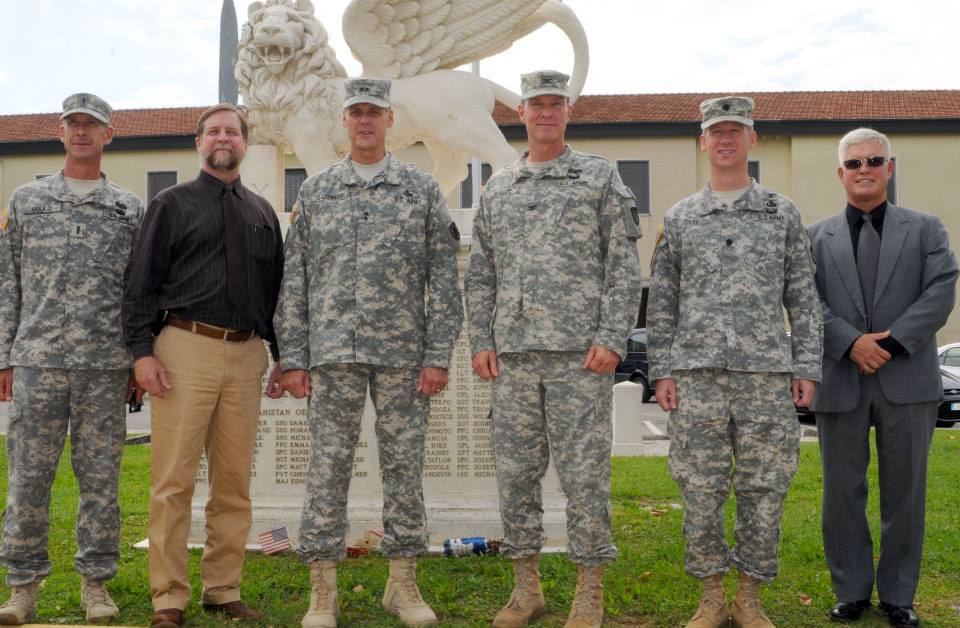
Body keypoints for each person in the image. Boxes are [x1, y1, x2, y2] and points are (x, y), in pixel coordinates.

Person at [274, 78, 463, 628]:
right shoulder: (317, 191)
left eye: (374, 113)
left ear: (390, 122)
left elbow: (442, 280)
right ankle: (322, 590)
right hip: (332, 354)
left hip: (404, 355)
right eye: (355, 112)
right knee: (327, 469)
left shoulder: (420, 190)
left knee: (404, 468)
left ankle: (402, 584)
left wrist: (438, 354)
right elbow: (297, 280)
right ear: (343, 121)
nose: (364, 121)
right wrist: (294, 357)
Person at [465, 70, 641, 628]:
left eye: (555, 104)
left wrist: (613, 336)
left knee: (584, 478)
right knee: (516, 476)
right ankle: (527, 589)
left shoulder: (598, 177)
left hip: (578, 358)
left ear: (568, 111)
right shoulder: (498, 188)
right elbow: (481, 273)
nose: (545, 113)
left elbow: (622, 264)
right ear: (521, 113)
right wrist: (481, 340)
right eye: (536, 104)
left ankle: (589, 591)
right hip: (513, 359)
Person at [647, 96, 822, 628]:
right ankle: (709, 594)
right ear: (703, 142)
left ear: (752, 139)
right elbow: (663, 300)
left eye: (735, 130)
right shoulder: (680, 218)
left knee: (764, 487)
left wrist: (807, 366)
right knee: (699, 489)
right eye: (715, 131)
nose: (725, 139)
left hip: (764, 374)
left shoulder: (781, 212)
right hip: (696, 376)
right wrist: (661, 369)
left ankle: (749, 596)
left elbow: (803, 296)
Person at [121, 103, 284, 628]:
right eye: (213, 131)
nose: (223, 138)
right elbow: (139, 284)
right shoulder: (169, 204)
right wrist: (142, 353)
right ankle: (168, 598)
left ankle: (223, 588)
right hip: (184, 347)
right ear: (198, 143)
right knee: (174, 481)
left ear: (244, 144)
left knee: (234, 482)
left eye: (232, 132)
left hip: (246, 354)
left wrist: (282, 356)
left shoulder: (263, 212)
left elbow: (274, 293)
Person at [0, 93, 144, 624]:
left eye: (93, 125)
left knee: (101, 482)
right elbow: (7, 282)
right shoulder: (28, 200)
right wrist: (3, 357)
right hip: (38, 360)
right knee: (28, 480)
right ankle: (22, 589)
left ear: (110, 135)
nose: (82, 132)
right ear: (60, 132)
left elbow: (138, 290)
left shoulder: (129, 208)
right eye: (74, 124)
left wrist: (136, 361)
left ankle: (96, 584)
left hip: (106, 366)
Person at [808, 128, 957, 628]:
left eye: (874, 160)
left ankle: (898, 596)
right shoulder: (816, 237)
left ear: (890, 167)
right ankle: (850, 591)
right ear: (840, 174)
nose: (864, 169)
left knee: (906, 492)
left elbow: (940, 291)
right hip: (840, 379)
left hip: (908, 378)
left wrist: (888, 344)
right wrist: (852, 343)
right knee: (841, 494)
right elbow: (807, 301)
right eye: (854, 163)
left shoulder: (926, 229)